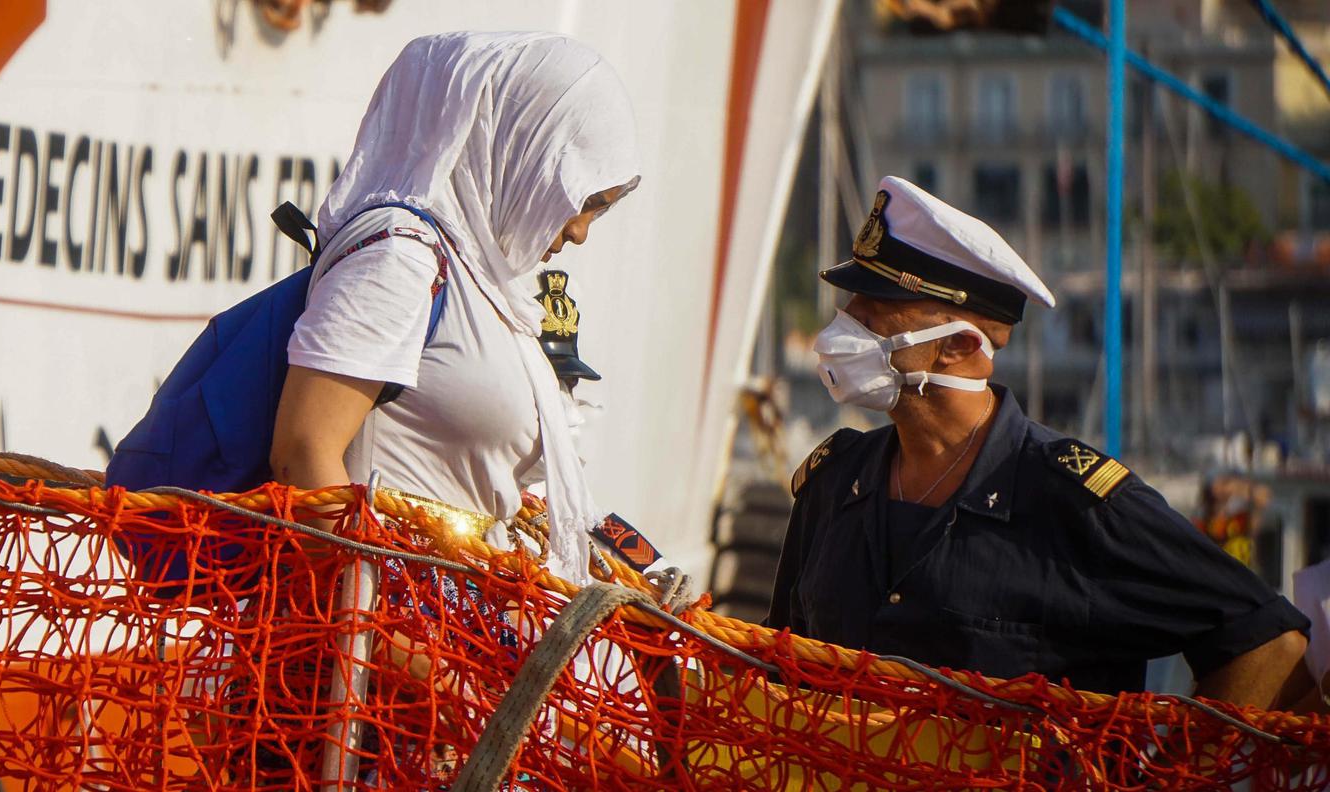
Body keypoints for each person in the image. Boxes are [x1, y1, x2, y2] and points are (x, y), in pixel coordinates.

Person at [767, 176, 1309, 707]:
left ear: (956, 345)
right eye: (850, 307)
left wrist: (1175, 775)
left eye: (872, 313)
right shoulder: (832, 483)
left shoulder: (1076, 505)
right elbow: (775, 667)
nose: (842, 328)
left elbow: (1268, 642)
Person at [268, 32, 639, 583]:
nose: (581, 232)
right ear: (524, 151)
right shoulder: (400, 258)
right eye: (583, 201)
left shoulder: (499, 287)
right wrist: (401, 637)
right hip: (371, 652)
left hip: (453, 641)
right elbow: (301, 456)